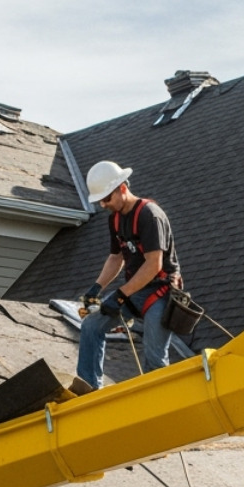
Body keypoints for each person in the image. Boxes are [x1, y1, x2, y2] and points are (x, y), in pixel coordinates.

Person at [74, 161, 183, 391]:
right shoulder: (114, 219)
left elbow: (154, 265)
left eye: (107, 199)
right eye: (100, 200)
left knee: (154, 358)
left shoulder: (149, 215)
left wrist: (121, 295)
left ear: (122, 188)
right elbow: (116, 258)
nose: (103, 205)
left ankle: (160, 403)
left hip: (160, 293)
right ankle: (89, 388)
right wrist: (97, 288)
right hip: (135, 291)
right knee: (91, 326)